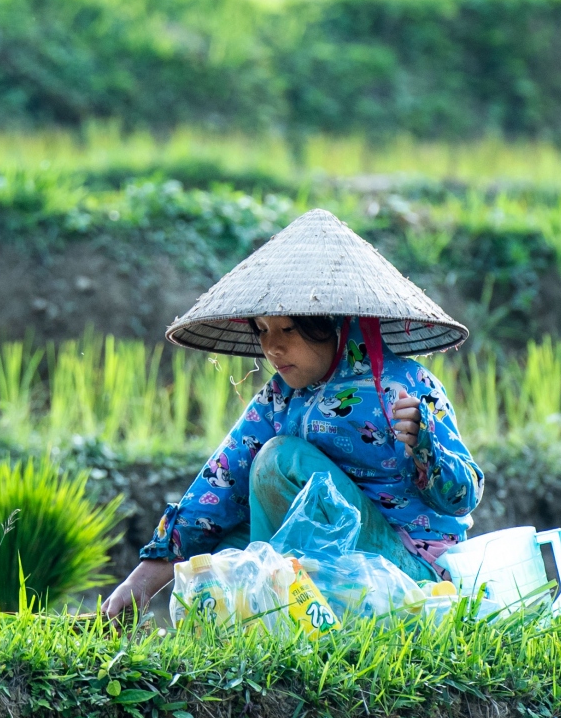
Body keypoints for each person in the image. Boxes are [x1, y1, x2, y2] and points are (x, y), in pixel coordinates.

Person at [102, 209, 483, 619]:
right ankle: (267, 616)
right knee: (228, 545)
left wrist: (424, 446)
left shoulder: (408, 387)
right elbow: (220, 481)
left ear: (330, 324)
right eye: (263, 330)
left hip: (407, 573)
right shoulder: (278, 399)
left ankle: (269, 615)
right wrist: (138, 583)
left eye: (287, 330)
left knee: (279, 459)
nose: (272, 348)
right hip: (337, 558)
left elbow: (464, 498)